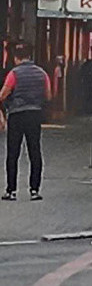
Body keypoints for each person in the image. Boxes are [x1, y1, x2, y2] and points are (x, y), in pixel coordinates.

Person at [0, 42, 52, 201]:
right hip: (34, 114)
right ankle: (34, 190)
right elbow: (48, 95)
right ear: (30, 56)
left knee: (13, 153)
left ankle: (11, 190)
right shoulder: (42, 73)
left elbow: (3, 94)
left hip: (16, 115)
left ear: (16, 57)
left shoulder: (14, 73)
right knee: (34, 151)